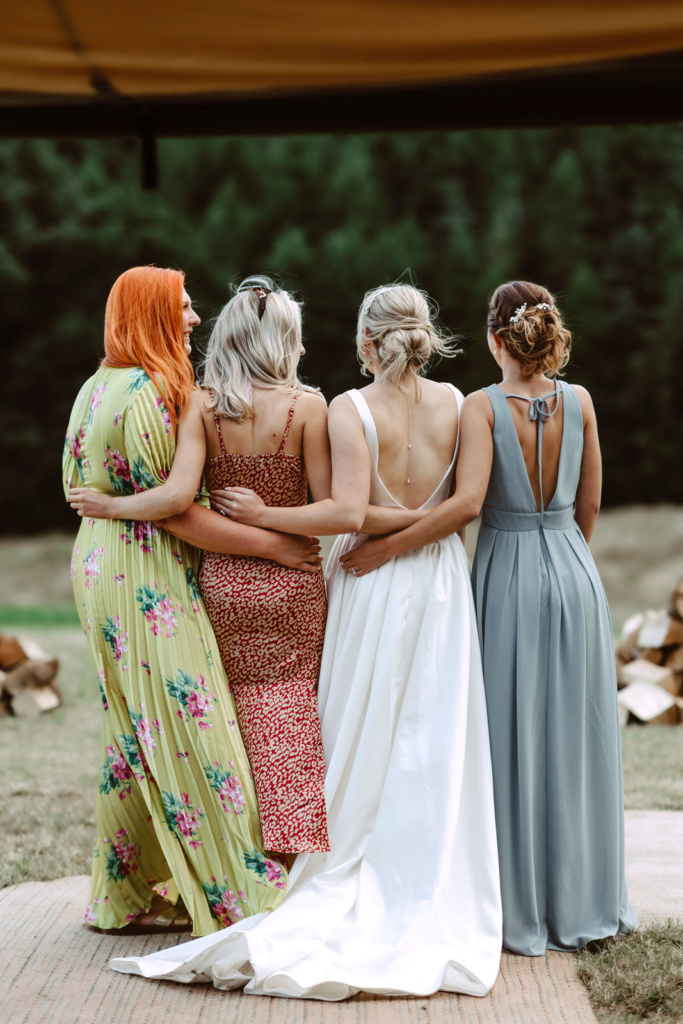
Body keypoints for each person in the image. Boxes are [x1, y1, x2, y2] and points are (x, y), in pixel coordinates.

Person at [110, 283, 502, 999]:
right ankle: (394, 857)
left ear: (365, 341)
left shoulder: (227, 404)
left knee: (284, 718)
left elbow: (194, 506)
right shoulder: (402, 405)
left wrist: (112, 505)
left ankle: (249, 867)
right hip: (400, 582)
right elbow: (439, 506)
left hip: (257, 583)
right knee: (399, 721)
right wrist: (299, 534)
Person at [343, 280, 637, 955]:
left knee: (506, 738)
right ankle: (586, 898)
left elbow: (467, 504)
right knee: (578, 738)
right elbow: (589, 503)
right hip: (573, 569)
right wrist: (565, 557)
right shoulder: (582, 401)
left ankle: (516, 905)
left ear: (493, 339)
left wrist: (383, 548)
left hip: (505, 574)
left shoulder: (478, 406)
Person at [63, 266, 320, 936]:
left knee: (132, 729)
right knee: (188, 719)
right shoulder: (150, 392)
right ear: (149, 314)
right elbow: (175, 514)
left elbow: (80, 488)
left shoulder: (96, 385)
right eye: (180, 307)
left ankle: (123, 892)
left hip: (96, 561)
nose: (194, 318)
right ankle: (237, 890)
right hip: (142, 571)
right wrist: (270, 545)